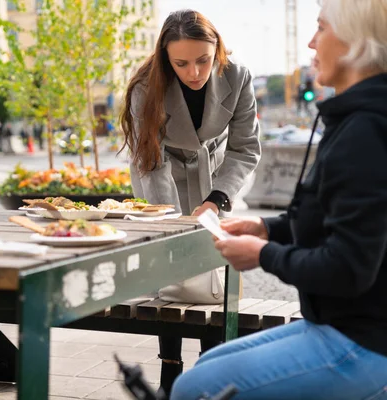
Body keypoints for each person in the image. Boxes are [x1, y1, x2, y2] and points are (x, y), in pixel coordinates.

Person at [171, 1, 387, 399]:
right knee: (206, 367)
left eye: (321, 28)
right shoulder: (358, 120)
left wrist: (262, 254)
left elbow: (348, 268)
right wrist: (266, 227)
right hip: (343, 324)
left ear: (358, 43)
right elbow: (334, 219)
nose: (310, 43)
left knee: (194, 388)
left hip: (364, 340)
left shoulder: (366, 132)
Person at [119, 10, 261, 397]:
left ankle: (210, 368)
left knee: (214, 271)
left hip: (216, 179)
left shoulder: (238, 76)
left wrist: (216, 199)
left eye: (203, 59)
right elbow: (150, 165)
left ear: (218, 50)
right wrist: (172, 224)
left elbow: (246, 148)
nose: (194, 71)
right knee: (170, 270)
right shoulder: (145, 90)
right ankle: (170, 369)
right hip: (161, 176)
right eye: (181, 63)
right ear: (166, 58)